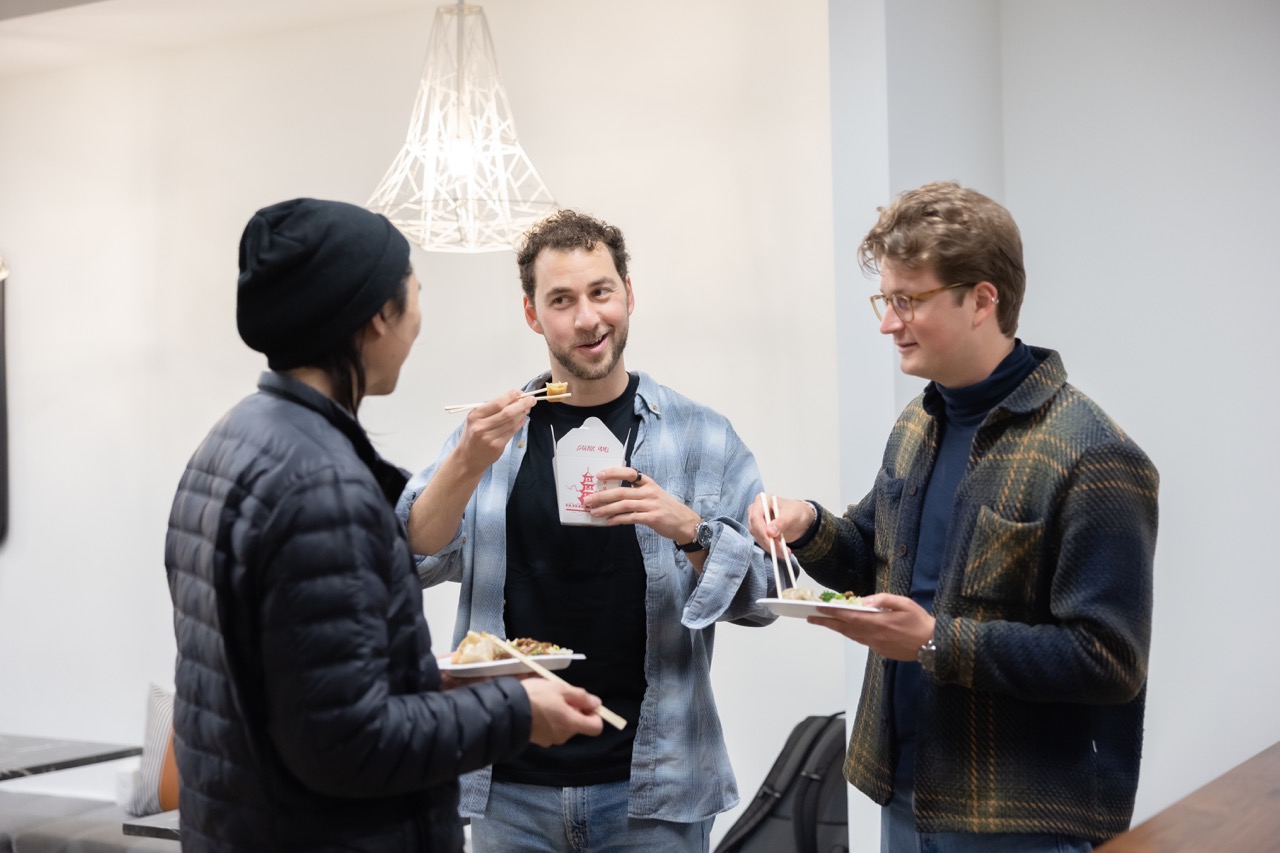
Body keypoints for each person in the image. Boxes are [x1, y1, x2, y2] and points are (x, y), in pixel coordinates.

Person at [164, 198, 604, 852]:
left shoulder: (232, 440)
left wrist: (424, 678)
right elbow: (346, 741)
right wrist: (514, 710)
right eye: (415, 294)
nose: (419, 319)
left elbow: (295, 679)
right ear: (378, 317)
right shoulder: (322, 485)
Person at [748, 182, 1159, 852]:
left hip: (1019, 824)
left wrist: (937, 641)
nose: (888, 323)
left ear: (982, 300)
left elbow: (1108, 660)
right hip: (905, 795)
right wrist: (807, 525)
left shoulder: (1093, 454)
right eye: (886, 300)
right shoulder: (917, 423)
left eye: (908, 301)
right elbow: (869, 556)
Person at [397, 209, 776, 852]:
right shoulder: (490, 436)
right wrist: (464, 463)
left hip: (656, 789)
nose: (587, 319)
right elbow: (411, 558)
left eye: (601, 292)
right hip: (508, 783)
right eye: (561, 300)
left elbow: (763, 598)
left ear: (629, 292)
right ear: (532, 314)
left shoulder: (703, 436)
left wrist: (690, 530)